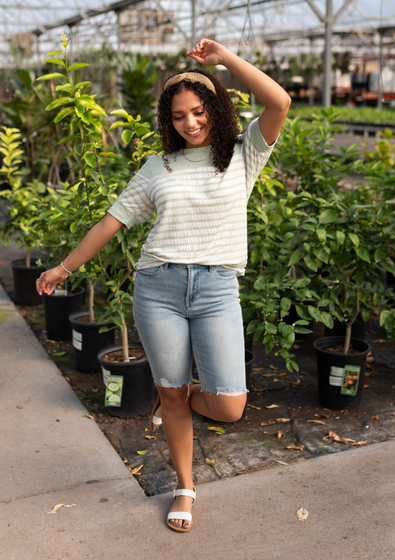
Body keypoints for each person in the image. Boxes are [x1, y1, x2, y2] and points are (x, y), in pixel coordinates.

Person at [36, 38, 291, 533]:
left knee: (228, 405)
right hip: (158, 288)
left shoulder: (244, 154)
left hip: (217, 289)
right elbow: (110, 223)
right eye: (178, 116)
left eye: (199, 111)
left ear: (215, 108)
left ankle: (173, 394)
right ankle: (185, 485)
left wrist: (224, 61)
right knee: (173, 396)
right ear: (167, 121)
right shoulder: (159, 167)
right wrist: (62, 269)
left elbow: (279, 101)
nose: (190, 123)